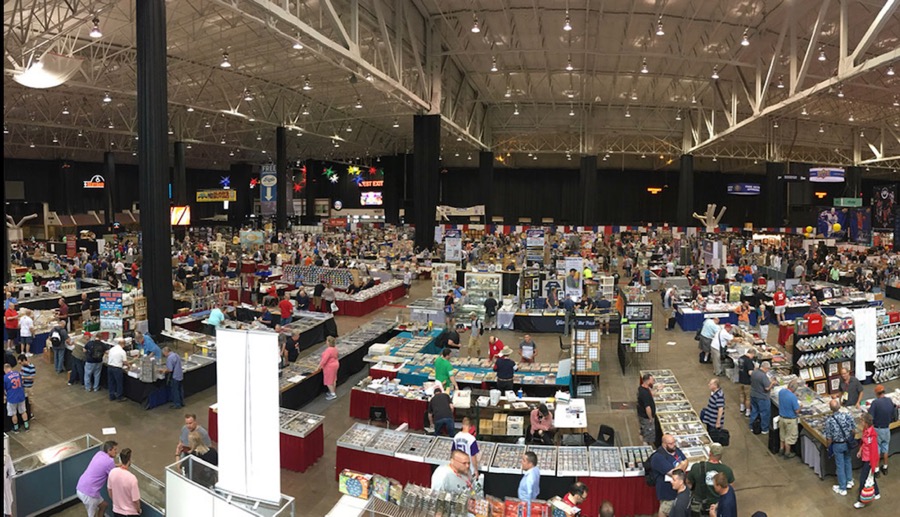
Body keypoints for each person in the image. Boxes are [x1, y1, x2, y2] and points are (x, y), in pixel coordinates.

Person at [687, 443, 734, 515]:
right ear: (721, 455)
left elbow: (688, 482)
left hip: (699, 507)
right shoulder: (727, 471)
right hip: (717, 506)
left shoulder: (696, 467)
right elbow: (729, 488)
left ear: (709, 453)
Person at [76, 440, 118, 517]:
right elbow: (114, 476)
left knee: (104, 505)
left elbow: (104, 466)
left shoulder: (99, 454)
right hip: (89, 494)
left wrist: (118, 465)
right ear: (109, 450)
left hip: (80, 487)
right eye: (115, 449)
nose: (116, 452)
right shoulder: (110, 461)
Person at [651, 434, 688, 517]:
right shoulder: (658, 457)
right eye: (670, 444)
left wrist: (680, 467)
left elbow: (686, 461)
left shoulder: (675, 450)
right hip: (667, 492)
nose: (673, 445)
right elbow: (674, 473)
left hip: (677, 491)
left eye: (674, 442)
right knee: (665, 510)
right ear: (664, 444)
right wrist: (682, 465)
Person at [824, 398, 856, 496]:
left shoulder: (829, 421)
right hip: (847, 443)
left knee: (840, 465)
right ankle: (849, 480)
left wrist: (828, 447)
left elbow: (829, 438)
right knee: (847, 461)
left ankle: (842, 487)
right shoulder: (847, 416)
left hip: (837, 445)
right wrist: (850, 439)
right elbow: (853, 430)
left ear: (830, 408)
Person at [854, 413, 881, 509]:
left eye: (861, 421)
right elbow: (864, 443)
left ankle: (861, 501)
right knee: (870, 477)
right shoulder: (866, 431)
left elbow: (874, 451)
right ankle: (876, 492)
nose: (860, 422)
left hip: (869, 461)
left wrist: (873, 464)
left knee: (863, 480)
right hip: (865, 457)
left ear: (866, 422)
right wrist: (860, 450)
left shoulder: (871, 436)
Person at [868, 384, 895, 477]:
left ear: (876, 393)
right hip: (886, 428)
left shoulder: (875, 403)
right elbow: (893, 413)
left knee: (877, 450)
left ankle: (876, 470)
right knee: (885, 448)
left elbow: (870, 417)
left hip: (877, 429)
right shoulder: (889, 401)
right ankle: (885, 466)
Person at [107, 447, 141, 517]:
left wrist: (116, 503)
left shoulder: (112, 472)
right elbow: (136, 501)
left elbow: (109, 490)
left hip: (116, 511)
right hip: (130, 513)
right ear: (129, 460)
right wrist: (138, 510)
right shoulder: (132, 478)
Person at [748, 361, 775, 434]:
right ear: (766, 368)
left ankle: (751, 426)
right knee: (764, 413)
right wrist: (772, 383)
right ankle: (764, 429)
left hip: (753, 395)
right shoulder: (763, 376)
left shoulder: (754, 372)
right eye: (768, 369)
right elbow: (767, 388)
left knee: (754, 411)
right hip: (762, 397)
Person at [778, 379, 801, 458]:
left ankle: (781, 449)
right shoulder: (792, 397)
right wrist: (800, 407)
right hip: (790, 420)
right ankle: (787, 453)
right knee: (789, 437)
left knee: (782, 435)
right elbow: (797, 411)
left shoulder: (781, 392)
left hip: (781, 418)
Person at [4, 362, 29, 432]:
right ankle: (26, 426)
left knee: (13, 414)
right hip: (21, 396)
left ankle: (16, 428)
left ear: (5, 370)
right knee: (23, 411)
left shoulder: (5, 378)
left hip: (12, 398)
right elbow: (22, 382)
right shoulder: (18, 373)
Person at [638, 373, 657, 446]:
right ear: (648, 380)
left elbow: (650, 394)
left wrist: (657, 389)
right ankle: (646, 446)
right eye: (652, 380)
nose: (653, 381)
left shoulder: (643, 388)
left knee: (644, 429)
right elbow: (648, 408)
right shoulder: (644, 393)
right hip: (646, 417)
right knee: (648, 433)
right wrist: (650, 418)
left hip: (642, 416)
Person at [319, 335, 339, 400]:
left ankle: (333, 394)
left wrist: (319, 366)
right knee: (333, 379)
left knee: (329, 381)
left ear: (328, 342)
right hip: (335, 364)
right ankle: (332, 391)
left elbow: (324, 360)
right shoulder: (335, 348)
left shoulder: (328, 350)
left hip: (329, 367)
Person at [737, 348, 756, 416]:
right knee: (748, 397)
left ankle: (742, 407)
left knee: (742, 394)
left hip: (740, 380)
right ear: (752, 354)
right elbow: (750, 372)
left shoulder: (740, 358)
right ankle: (748, 411)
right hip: (747, 382)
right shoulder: (749, 361)